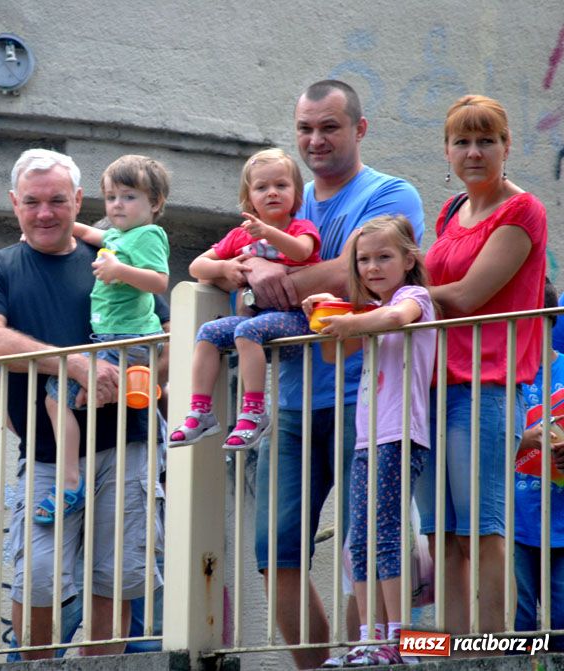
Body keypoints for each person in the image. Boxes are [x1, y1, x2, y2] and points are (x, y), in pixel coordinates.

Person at [242, 80, 425, 669]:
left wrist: (266, 281)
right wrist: (247, 271)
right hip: (293, 401)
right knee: (273, 552)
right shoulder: (284, 197)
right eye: (305, 129)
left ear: (359, 129)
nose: (315, 140)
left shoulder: (390, 193)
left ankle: (368, 654)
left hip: (363, 399)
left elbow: (352, 272)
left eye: (329, 127)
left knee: (363, 547)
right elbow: (228, 263)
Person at [0, 148, 165, 660]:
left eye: (57, 200)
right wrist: (75, 365)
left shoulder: (112, 257)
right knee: (36, 578)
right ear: (14, 203)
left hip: (126, 446)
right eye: (32, 202)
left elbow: (167, 335)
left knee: (115, 578)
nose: (44, 213)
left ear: (78, 200)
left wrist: (134, 380)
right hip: (47, 455)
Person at [417, 94, 547, 638]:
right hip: (433, 383)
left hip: (486, 384)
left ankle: (491, 649)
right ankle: (448, 649)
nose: (474, 152)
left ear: (507, 146)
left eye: (486, 141)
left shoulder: (523, 210)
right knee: (440, 534)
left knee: (482, 530)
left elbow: (469, 296)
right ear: (447, 150)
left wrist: (400, 301)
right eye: (462, 142)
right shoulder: (451, 211)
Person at [302, 215, 435, 666]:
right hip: (368, 437)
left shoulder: (414, 297)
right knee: (357, 540)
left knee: (386, 535)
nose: (372, 267)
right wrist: (326, 316)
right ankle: (368, 637)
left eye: (384, 257)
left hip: (400, 434)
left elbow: (396, 317)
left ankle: (400, 641)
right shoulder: (366, 312)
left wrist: (351, 320)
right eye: (363, 260)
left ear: (408, 260)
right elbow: (332, 351)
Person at [40, 154, 169, 523]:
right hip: (112, 340)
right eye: (111, 197)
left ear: (155, 203)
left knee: (55, 395)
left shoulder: (149, 235)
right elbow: (87, 233)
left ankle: (70, 481)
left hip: (130, 339)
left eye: (128, 197)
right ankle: (134, 387)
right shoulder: (117, 235)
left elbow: (159, 281)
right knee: (79, 393)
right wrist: (48, 234)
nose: (117, 205)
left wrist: (119, 270)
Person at [171, 147, 320, 450]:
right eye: (262, 187)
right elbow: (197, 266)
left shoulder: (300, 228)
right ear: (249, 197)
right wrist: (224, 267)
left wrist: (268, 233)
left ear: (296, 193)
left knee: (246, 329)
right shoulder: (240, 235)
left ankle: (254, 412)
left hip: (296, 319)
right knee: (209, 333)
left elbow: (302, 251)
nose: (272, 192)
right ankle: (200, 411)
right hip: (257, 322)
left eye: (281, 185)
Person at [514, 278, 564, 652]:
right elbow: (478, 444)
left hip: (561, 523)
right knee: (516, 631)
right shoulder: (497, 378)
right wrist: (523, 440)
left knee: (561, 625)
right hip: (513, 524)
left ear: (549, 320)